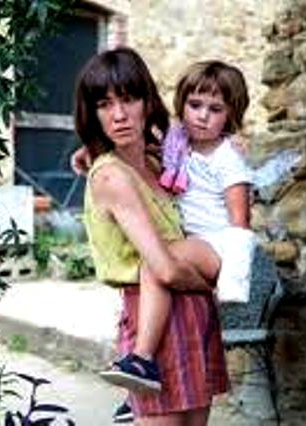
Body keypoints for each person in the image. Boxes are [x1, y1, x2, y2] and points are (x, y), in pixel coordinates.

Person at [73, 59, 256, 398]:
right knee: (155, 264)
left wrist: (231, 280)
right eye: (105, 104)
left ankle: (141, 365)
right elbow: (166, 271)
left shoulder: (193, 160)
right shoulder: (166, 151)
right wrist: (90, 148)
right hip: (161, 305)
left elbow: (240, 224)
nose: (202, 116)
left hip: (203, 277)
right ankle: (142, 363)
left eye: (129, 100)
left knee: (193, 417)